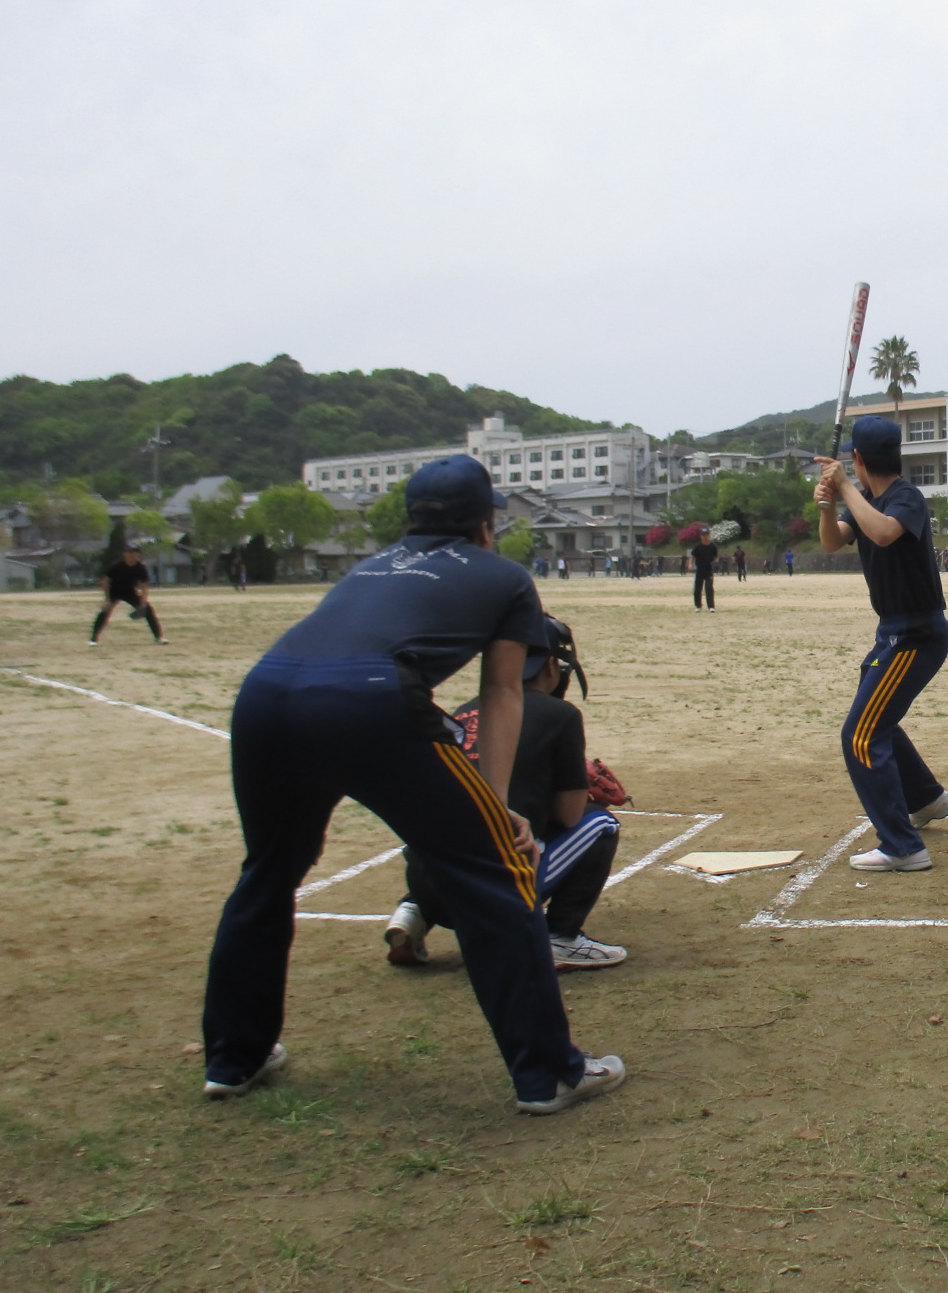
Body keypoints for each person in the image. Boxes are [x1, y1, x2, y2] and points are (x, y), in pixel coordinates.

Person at [200, 455, 622, 1116]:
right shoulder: (505, 577)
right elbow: (505, 690)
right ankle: (550, 1073)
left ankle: (234, 1057)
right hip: (371, 703)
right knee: (494, 874)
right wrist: (497, 804)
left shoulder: (370, 565)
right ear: (486, 523)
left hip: (264, 696)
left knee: (268, 872)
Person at [386, 616, 627, 973]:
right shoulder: (560, 714)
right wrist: (581, 789)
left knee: (460, 822)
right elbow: (569, 815)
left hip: (426, 880)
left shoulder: (466, 708)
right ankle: (560, 936)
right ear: (550, 665)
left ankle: (412, 913)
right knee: (600, 824)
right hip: (490, 891)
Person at [815, 416, 948, 871]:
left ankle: (903, 846)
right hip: (892, 632)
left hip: (916, 634)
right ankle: (928, 799)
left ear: (859, 459)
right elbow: (833, 542)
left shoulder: (905, 497)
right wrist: (826, 504)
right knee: (876, 713)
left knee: (860, 734)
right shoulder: (866, 500)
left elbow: (883, 532)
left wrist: (845, 487)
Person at [91, 543, 167, 644]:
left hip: (129, 592)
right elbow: (105, 581)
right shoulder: (117, 566)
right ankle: (93, 639)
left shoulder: (140, 568)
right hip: (115, 591)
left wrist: (143, 603)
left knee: (148, 610)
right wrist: (107, 599)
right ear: (125, 554)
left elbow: (144, 587)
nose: (132, 555)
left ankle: (159, 638)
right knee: (105, 612)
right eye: (129, 552)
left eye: (135, 552)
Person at [691, 534, 719, 611]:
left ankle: (711, 606)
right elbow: (693, 556)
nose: (705, 537)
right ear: (701, 536)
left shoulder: (713, 547)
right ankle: (698, 606)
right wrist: (690, 564)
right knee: (697, 589)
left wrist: (716, 564)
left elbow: (716, 557)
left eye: (706, 535)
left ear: (709, 536)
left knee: (709, 588)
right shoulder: (697, 547)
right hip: (699, 569)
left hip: (708, 570)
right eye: (703, 535)